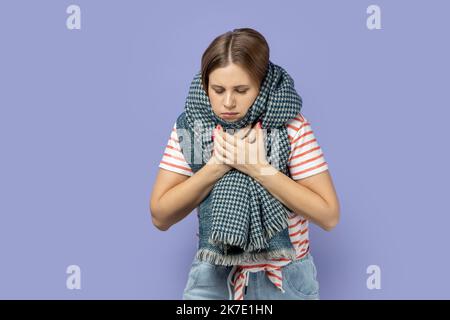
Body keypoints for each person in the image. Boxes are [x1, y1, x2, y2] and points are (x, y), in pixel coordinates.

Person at [150, 28, 340, 300]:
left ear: (262, 86)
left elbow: (329, 216)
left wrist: (257, 167)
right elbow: (160, 216)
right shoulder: (191, 129)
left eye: (241, 90)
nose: (228, 102)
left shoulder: (291, 127)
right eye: (218, 90)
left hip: (284, 279)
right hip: (213, 278)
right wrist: (218, 165)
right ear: (205, 86)